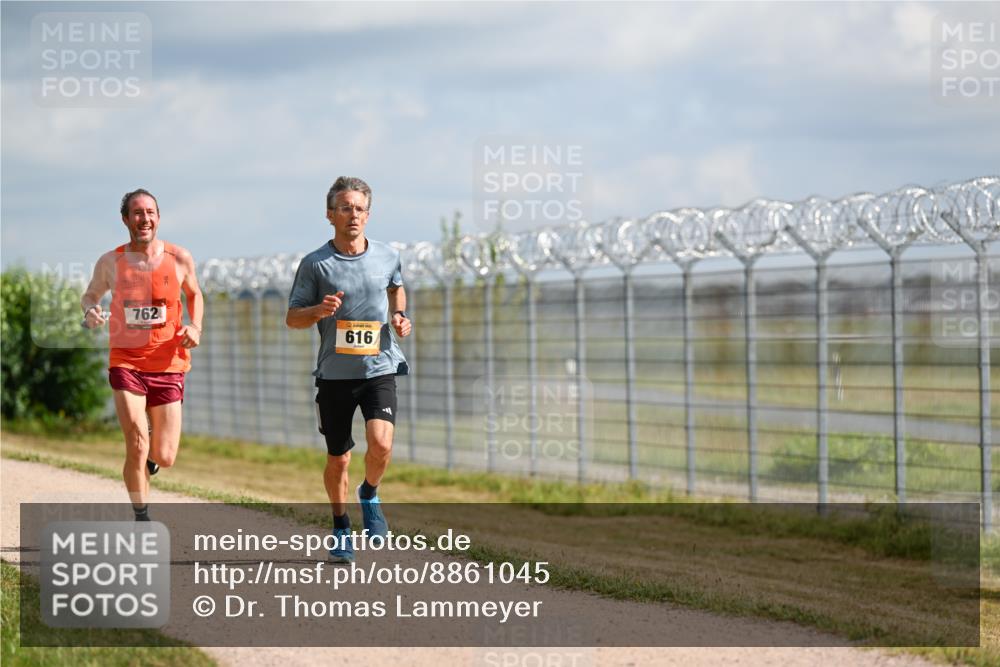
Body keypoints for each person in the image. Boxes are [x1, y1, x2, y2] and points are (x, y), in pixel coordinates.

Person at [286, 176, 411, 563]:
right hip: (335, 375)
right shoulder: (315, 264)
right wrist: (317, 311)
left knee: (382, 443)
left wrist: (400, 315)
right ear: (330, 214)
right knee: (338, 458)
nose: (352, 214)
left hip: (379, 367)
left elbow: (396, 287)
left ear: (368, 215)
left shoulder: (388, 256)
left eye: (358, 208)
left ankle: (370, 493)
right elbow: (292, 318)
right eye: (345, 207)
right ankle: (341, 527)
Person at [81, 189, 203, 521]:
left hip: (168, 363)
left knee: (164, 456)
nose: (144, 218)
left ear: (158, 218)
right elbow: (90, 295)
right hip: (126, 361)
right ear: (125, 220)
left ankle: (150, 459)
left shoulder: (179, 258)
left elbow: (194, 295)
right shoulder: (111, 262)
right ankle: (142, 517)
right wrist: (91, 310)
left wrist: (196, 327)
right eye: (137, 213)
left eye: (150, 212)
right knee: (136, 441)